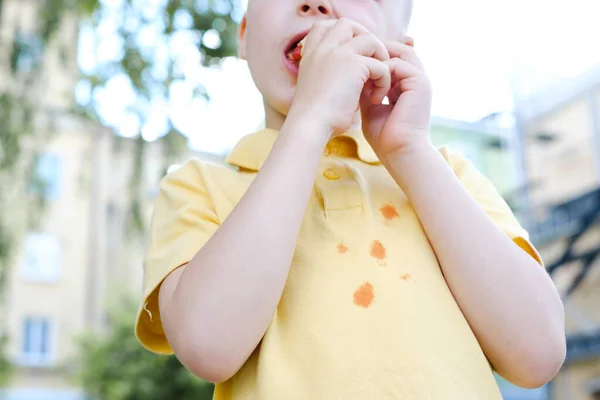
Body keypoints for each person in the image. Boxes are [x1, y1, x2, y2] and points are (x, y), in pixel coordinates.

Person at [134, 0, 566, 398]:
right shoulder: (197, 186)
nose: (316, 2)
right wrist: (311, 119)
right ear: (244, 36)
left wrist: (408, 150)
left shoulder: (451, 177)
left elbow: (537, 355)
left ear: (401, 49)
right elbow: (208, 346)